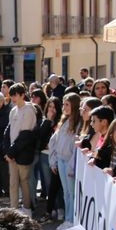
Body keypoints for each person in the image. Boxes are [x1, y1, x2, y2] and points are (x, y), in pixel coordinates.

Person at [4, 83, 37, 213]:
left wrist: (10, 152)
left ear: (23, 95)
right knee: (13, 183)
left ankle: (27, 208)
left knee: (24, 183)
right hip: (12, 154)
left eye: (15, 95)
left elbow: (25, 136)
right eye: (11, 95)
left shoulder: (29, 110)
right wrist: (7, 151)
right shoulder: (13, 110)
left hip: (23, 153)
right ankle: (13, 210)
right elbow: (8, 132)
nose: (13, 98)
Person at [48, 93, 82, 222]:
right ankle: (68, 219)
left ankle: (72, 220)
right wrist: (53, 161)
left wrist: (72, 164)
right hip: (61, 160)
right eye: (64, 104)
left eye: (67, 104)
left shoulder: (79, 123)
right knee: (66, 192)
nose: (64, 107)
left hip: (69, 162)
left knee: (72, 193)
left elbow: (75, 147)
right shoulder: (64, 121)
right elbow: (55, 142)